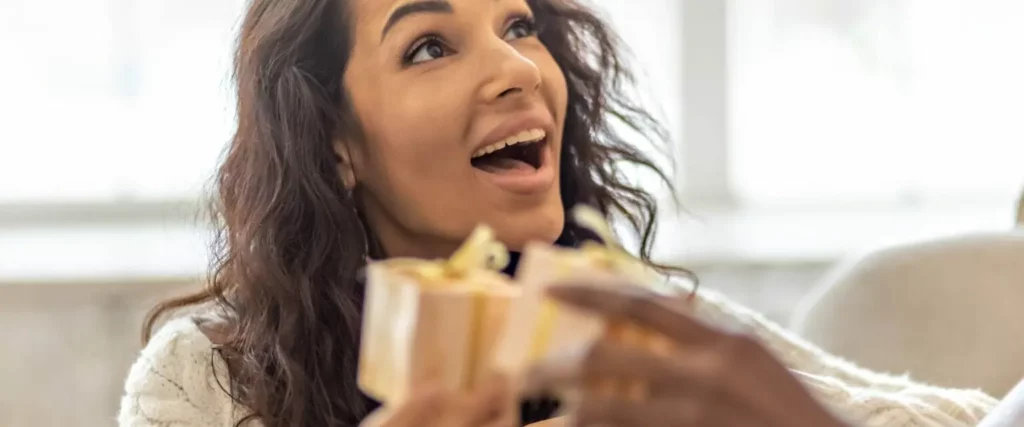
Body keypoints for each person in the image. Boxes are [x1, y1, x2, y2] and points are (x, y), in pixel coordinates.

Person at [117, 0, 998, 426]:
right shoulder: (203, 381)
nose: (516, 70)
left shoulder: (630, 331)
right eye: (429, 47)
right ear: (335, 144)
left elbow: (961, 418)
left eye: (518, 25)